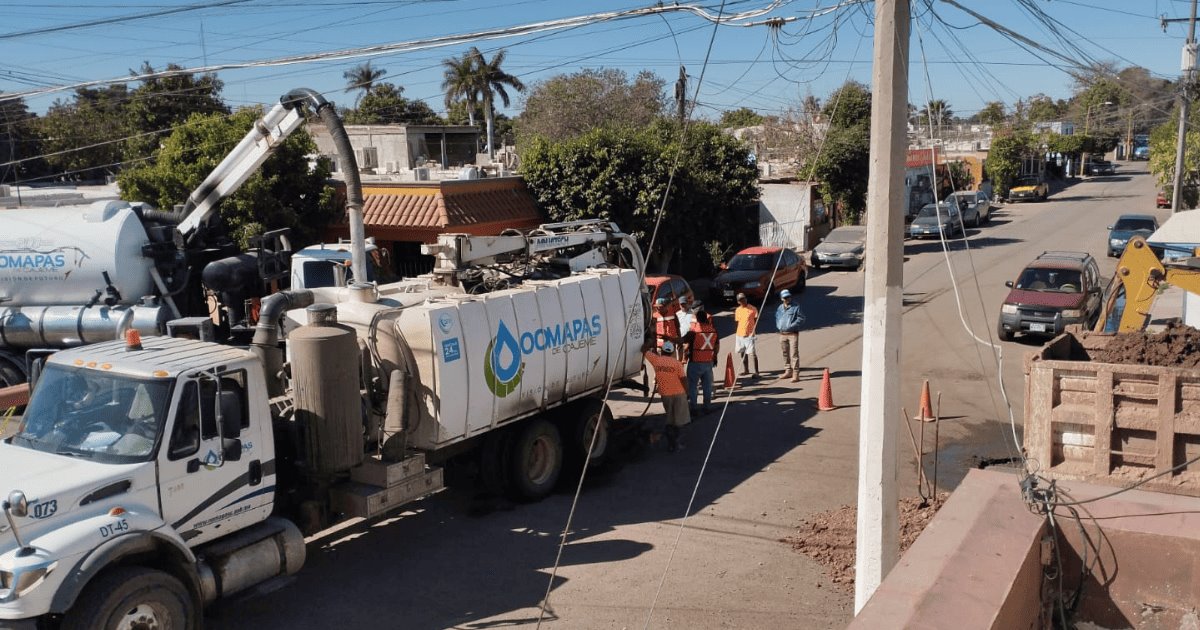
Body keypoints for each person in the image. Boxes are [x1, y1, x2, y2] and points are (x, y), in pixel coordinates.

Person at [644, 340, 690, 451]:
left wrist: (650, 341)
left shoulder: (656, 360)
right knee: (679, 421)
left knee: (670, 420)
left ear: (662, 351)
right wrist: (687, 392)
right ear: (672, 352)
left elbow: (643, 350)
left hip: (665, 395)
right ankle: (675, 443)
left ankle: (670, 443)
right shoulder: (676, 363)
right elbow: (683, 379)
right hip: (679, 394)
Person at [682, 308, 719, 414]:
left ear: (697, 319)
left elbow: (682, 341)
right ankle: (707, 406)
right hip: (708, 362)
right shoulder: (713, 330)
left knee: (693, 385)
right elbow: (716, 346)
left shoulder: (694, 332)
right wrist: (715, 357)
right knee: (707, 386)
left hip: (695, 362)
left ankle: (693, 407)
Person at [775, 289, 805, 382]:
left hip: (792, 334)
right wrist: (779, 325)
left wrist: (792, 326)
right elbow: (777, 316)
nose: (787, 299)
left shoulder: (796, 306)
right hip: (782, 333)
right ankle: (788, 371)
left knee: (794, 354)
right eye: (785, 297)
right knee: (785, 353)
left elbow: (801, 318)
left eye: (788, 297)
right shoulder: (780, 308)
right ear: (781, 298)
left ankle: (796, 374)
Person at [733, 293, 760, 378]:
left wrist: (753, 331)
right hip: (740, 334)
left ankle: (757, 372)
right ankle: (746, 370)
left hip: (749, 334)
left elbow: (756, 320)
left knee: (752, 353)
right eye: (741, 300)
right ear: (738, 302)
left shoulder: (753, 309)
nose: (743, 300)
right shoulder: (737, 310)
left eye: (744, 298)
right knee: (742, 352)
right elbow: (737, 322)